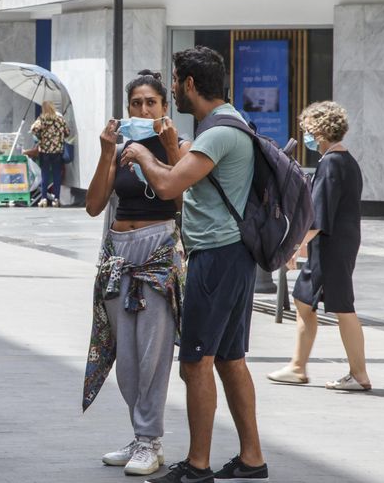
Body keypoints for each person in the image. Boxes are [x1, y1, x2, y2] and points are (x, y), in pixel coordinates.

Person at [119, 46, 268, 483]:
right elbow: (189, 167)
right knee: (230, 359)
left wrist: (141, 155)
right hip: (233, 256)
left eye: (174, 83)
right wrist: (166, 144)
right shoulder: (228, 123)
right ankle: (252, 458)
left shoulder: (218, 132)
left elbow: (167, 185)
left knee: (195, 363)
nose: (171, 95)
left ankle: (197, 466)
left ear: (187, 84)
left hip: (218, 257)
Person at [82, 71, 188, 477]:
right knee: (125, 358)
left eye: (151, 103)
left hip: (158, 253)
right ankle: (140, 435)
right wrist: (107, 151)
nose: (143, 110)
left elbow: (179, 198)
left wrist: (164, 149)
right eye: (136, 103)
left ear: (165, 107)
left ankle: (151, 440)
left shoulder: (179, 146)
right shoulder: (122, 147)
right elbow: (94, 205)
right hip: (118, 254)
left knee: (152, 354)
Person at [268, 101, 369, 391]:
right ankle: (297, 367)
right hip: (337, 244)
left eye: (309, 130)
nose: (306, 135)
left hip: (332, 247)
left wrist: (291, 248)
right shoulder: (343, 160)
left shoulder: (332, 163)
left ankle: (359, 374)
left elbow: (318, 217)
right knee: (303, 299)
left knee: (342, 306)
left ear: (322, 131)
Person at [30, 100, 70, 207]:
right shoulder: (60, 119)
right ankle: (56, 199)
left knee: (45, 174)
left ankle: (43, 199)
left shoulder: (42, 119)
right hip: (57, 151)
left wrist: (40, 136)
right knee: (57, 175)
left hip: (45, 151)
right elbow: (67, 132)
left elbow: (33, 129)